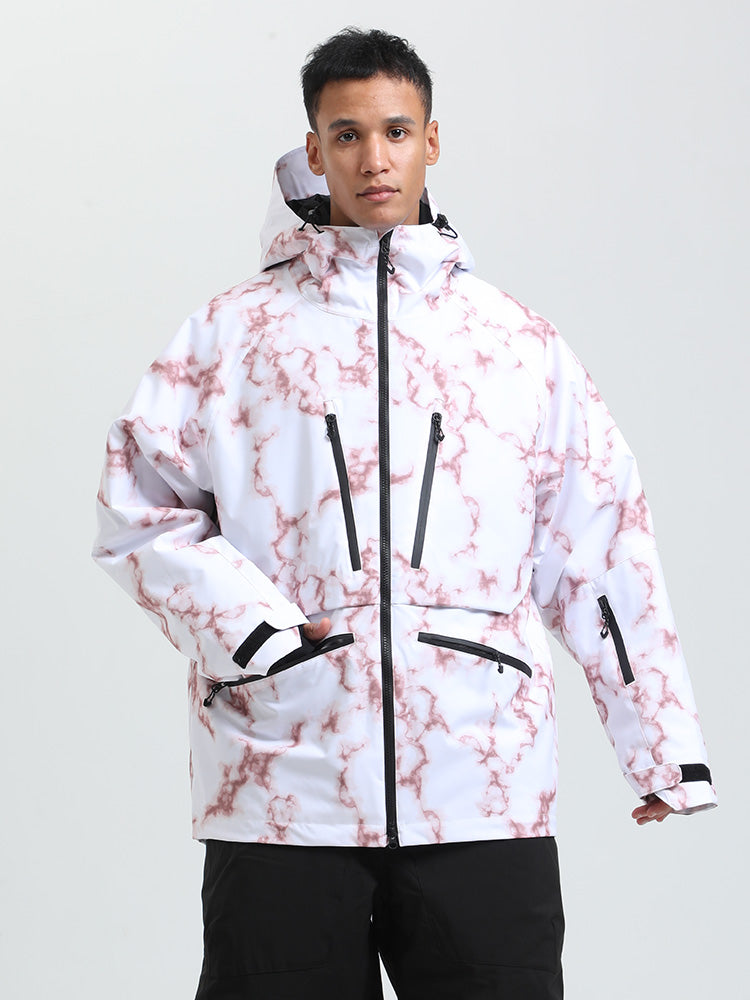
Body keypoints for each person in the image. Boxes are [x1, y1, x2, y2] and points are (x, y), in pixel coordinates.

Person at [93, 26, 716, 1000]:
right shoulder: (231, 336)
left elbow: (598, 546)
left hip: (480, 783)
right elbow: (139, 511)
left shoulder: (516, 344)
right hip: (283, 786)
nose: (373, 158)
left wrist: (662, 749)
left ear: (432, 140)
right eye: (346, 135)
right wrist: (259, 636)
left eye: (394, 131)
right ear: (314, 150)